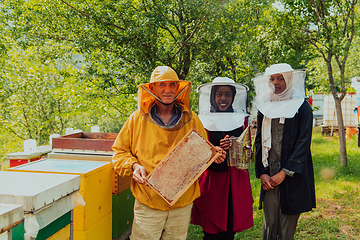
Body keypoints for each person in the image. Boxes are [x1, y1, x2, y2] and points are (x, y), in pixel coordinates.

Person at [112, 66, 226, 240]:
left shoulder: (192, 118)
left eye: (172, 85)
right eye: (162, 85)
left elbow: (202, 150)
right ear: (152, 89)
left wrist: (213, 155)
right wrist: (134, 166)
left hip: (181, 202)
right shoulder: (137, 119)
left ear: (178, 88)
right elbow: (119, 153)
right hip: (148, 200)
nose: (168, 90)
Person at [253, 63, 316, 240]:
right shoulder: (265, 106)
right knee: (270, 223)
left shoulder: (301, 107)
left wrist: (284, 172)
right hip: (270, 174)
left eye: (281, 78)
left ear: (289, 79)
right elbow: (259, 141)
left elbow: (303, 143)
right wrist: (262, 173)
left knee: (287, 223)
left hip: (292, 174)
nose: (276, 82)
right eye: (272, 78)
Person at [191, 77, 254, 240]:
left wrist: (234, 144)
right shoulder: (201, 119)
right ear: (213, 96)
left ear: (233, 96)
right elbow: (195, 150)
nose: (223, 98)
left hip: (234, 180)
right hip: (212, 181)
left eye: (227, 94)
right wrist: (214, 150)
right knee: (210, 230)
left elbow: (248, 152)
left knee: (229, 228)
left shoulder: (242, 119)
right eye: (219, 94)